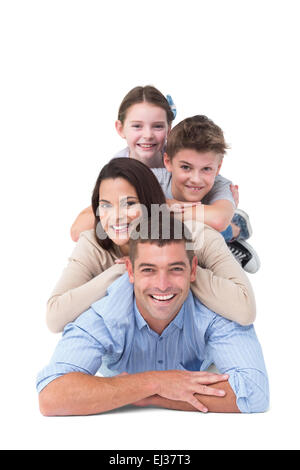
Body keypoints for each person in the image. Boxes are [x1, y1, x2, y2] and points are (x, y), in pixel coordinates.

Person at [37, 215, 269, 416]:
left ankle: (230, 245)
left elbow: (254, 391)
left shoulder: (217, 310)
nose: (162, 284)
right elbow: (52, 394)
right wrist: (155, 382)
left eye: (176, 268)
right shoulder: (103, 314)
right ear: (129, 271)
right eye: (148, 269)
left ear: (192, 269)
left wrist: (148, 395)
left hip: (205, 253)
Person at [46, 158, 256, 333]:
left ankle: (234, 234)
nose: (116, 217)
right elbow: (55, 318)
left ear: (150, 204)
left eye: (129, 204)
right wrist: (122, 271)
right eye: (105, 205)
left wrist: (177, 268)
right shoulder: (93, 244)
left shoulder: (198, 236)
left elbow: (245, 310)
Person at [70, 86, 242, 247]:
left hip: (194, 225)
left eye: (158, 126)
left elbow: (218, 214)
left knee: (206, 229)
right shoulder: (119, 167)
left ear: (169, 130)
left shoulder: (184, 153)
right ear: (120, 129)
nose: (148, 135)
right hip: (158, 229)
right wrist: (161, 205)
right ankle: (231, 230)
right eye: (137, 126)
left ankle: (233, 230)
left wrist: (227, 207)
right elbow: (89, 221)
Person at [152, 114, 260, 273]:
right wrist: (195, 210)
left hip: (205, 236)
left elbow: (218, 219)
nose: (196, 179)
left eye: (206, 169)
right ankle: (234, 227)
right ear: (168, 162)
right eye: (186, 167)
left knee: (194, 229)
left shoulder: (222, 185)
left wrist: (162, 207)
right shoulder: (155, 177)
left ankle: (234, 231)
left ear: (218, 167)